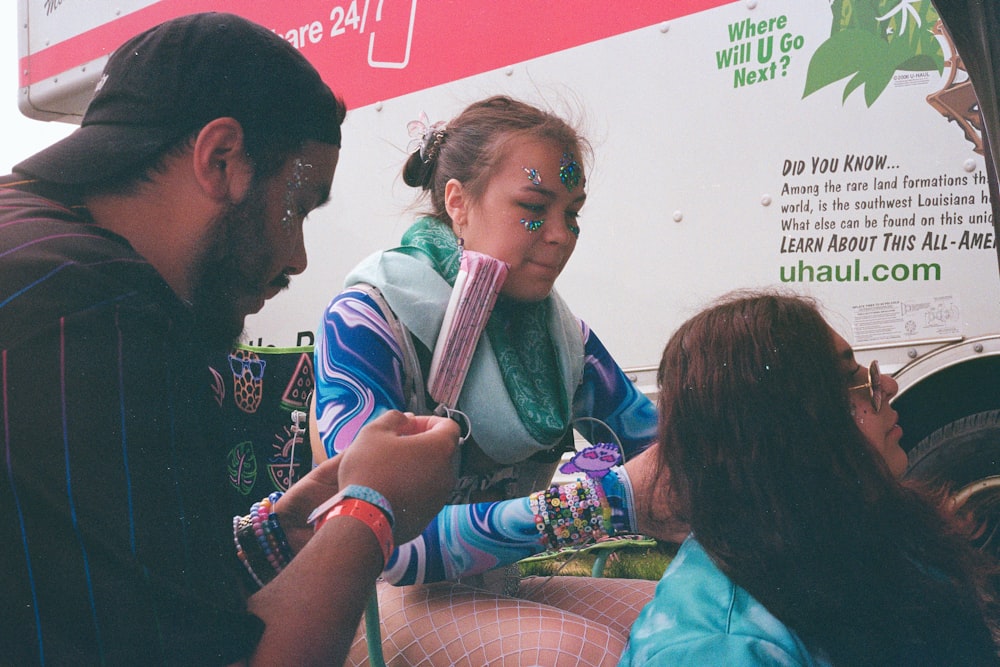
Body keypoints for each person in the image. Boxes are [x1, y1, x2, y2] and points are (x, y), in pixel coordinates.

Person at [0, 13, 459, 666]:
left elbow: (107, 591)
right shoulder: (102, 312)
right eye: (297, 206)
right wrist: (373, 510)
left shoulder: (30, 244)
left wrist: (281, 530)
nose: (298, 256)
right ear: (220, 159)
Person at [312, 96, 661, 664]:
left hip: (497, 591)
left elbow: (659, 449)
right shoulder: (369, 319)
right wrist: (604, 503)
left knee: (683, 623)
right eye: (533, 207)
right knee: (580, 654)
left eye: (572, 214)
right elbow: (383, 542)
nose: (560, 236)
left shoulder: (563, 340)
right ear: (458, 203)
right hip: (371, 608)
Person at [617, 291, 1000, 665]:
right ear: (787, 425)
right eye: (852, 378)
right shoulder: (721, 648)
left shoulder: (852, 526)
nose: (887, 385)